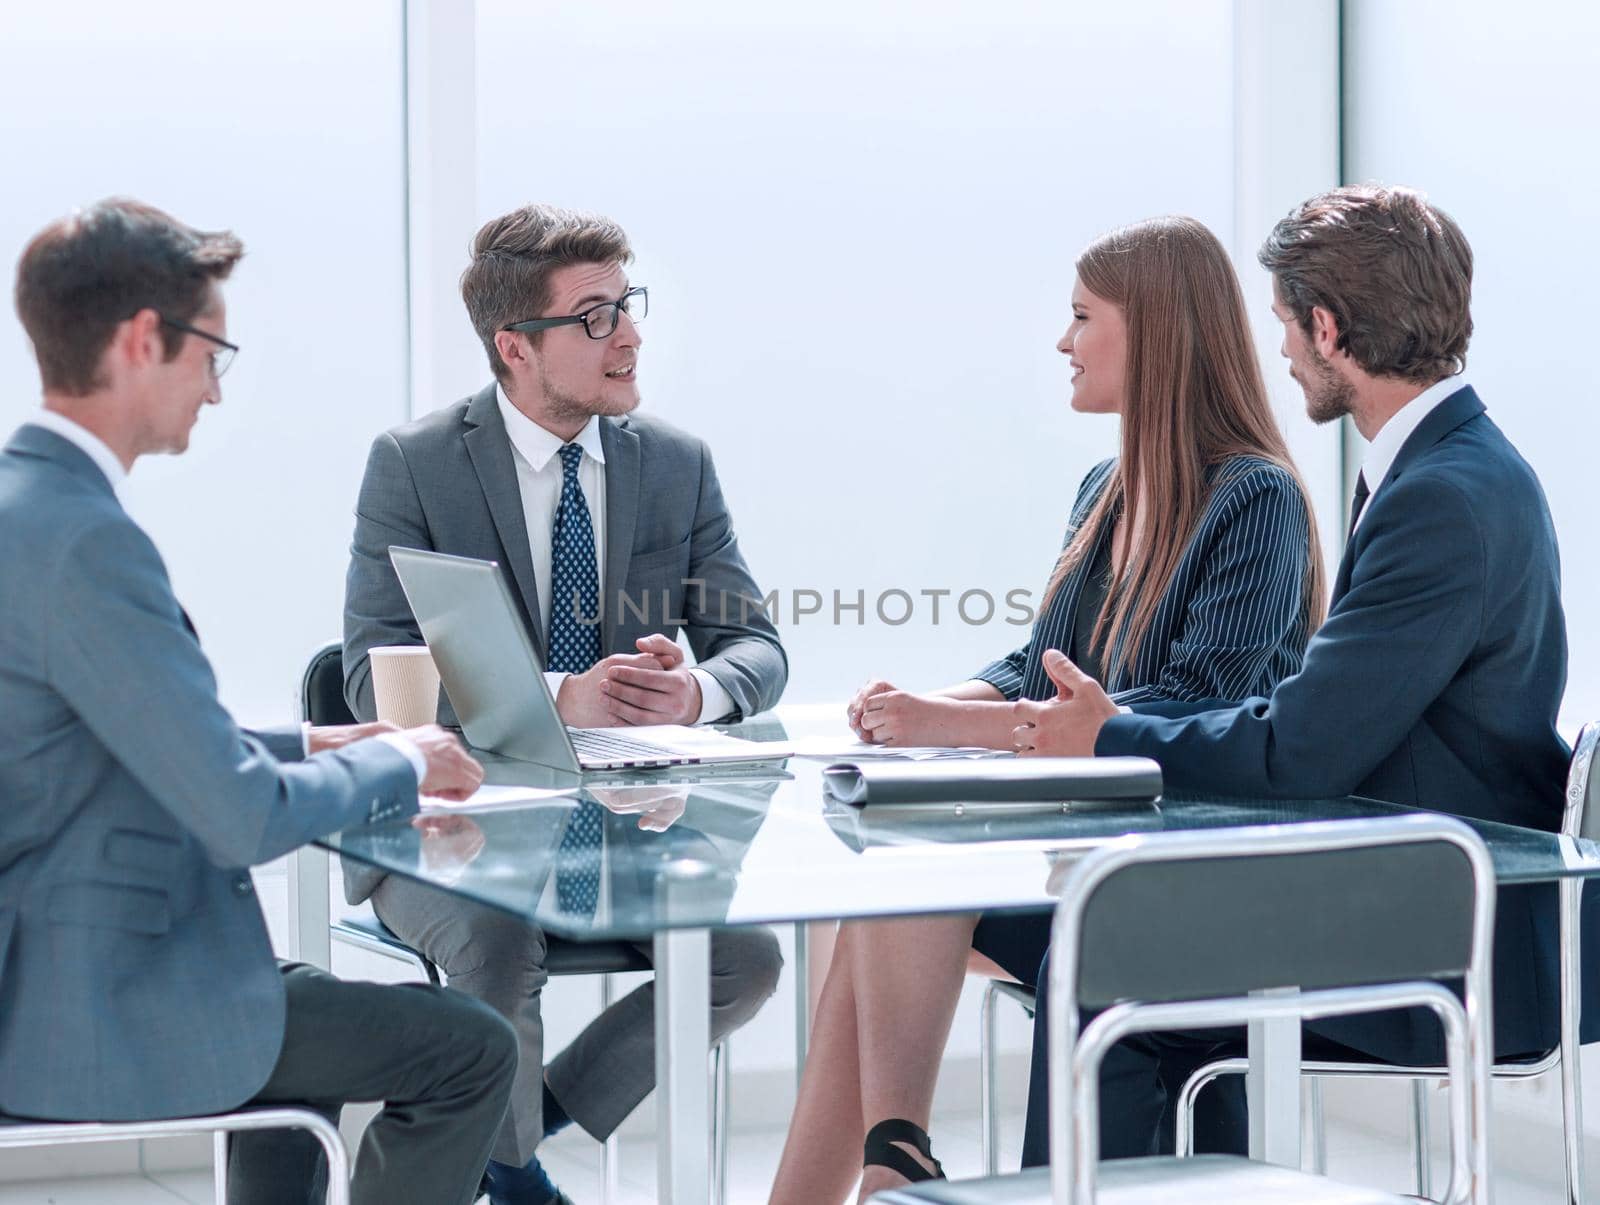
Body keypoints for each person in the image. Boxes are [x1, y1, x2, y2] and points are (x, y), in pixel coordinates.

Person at [1011, 184, 1588, 1166]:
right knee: (1116, 946)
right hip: (1412, 889)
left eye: (1283, 324)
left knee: (1104, 964)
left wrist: (1105, 732)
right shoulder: (1449, 469)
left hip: (1440, 934)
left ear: (1326, 327)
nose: (1277, 351)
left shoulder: (1442, 497)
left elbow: (1298, 748)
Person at [770, 216, 1327, 1203]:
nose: (1061, 342)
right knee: (883, 873)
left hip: (1184, 882)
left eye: (1080, 317)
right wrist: (920, 707)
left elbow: (1197, 705)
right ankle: (886, 1157)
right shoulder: (1103, 490)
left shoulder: (1255, 499)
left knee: (897, 873)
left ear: (1152, 332)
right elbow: (1041, 665)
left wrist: (953, 728)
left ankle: (876, 1164)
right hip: (1087, 858)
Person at [0, 198, 517, 1205]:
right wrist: (403, 759)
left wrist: (317, 737)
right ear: (144, 340)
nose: (216, 393)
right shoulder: (85, 539)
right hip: (102, 1004)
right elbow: (240, 817)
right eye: (211, 354)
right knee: (470, 1050)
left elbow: (105, 740)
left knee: (317, 1052)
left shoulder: (29, 510)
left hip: (56, 968)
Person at [341, 203, 785, 1205]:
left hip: (623, 823)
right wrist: (556, 694)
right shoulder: (415, 463)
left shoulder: (675, 464)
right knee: (502, 937)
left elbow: (756, 644)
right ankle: (517, 1175)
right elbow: (375, 678)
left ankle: (509, 1136)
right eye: (593, 316)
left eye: (627, 306)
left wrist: (697, 689)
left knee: (745, 960)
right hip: (449, 828)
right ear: (514, 347)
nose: (627, 333)